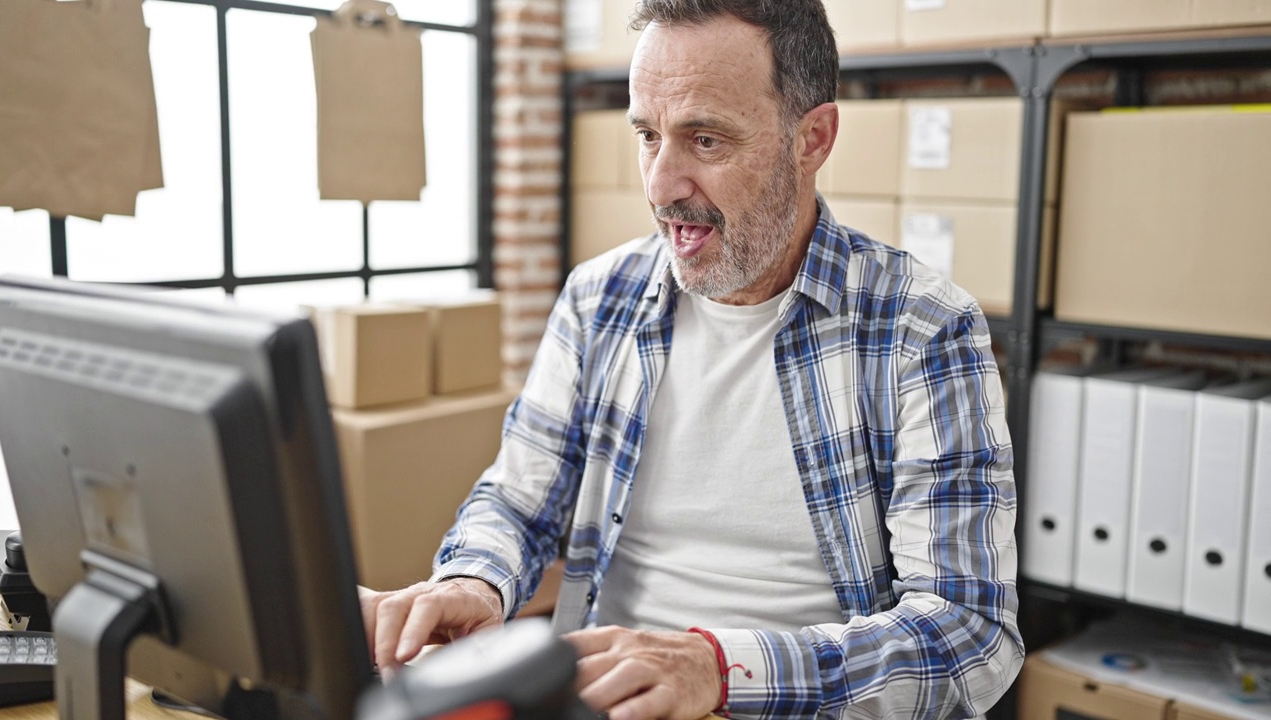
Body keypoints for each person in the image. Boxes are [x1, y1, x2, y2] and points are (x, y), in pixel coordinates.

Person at [359, 1, 1024, 718]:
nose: (660, 185)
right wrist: (474, 582)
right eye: (648, 135)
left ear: (813, 138)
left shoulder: (922, 329)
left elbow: (969, 638)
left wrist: (720, 669)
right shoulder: (598, 298)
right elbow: (518, 505)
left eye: (705, 141)